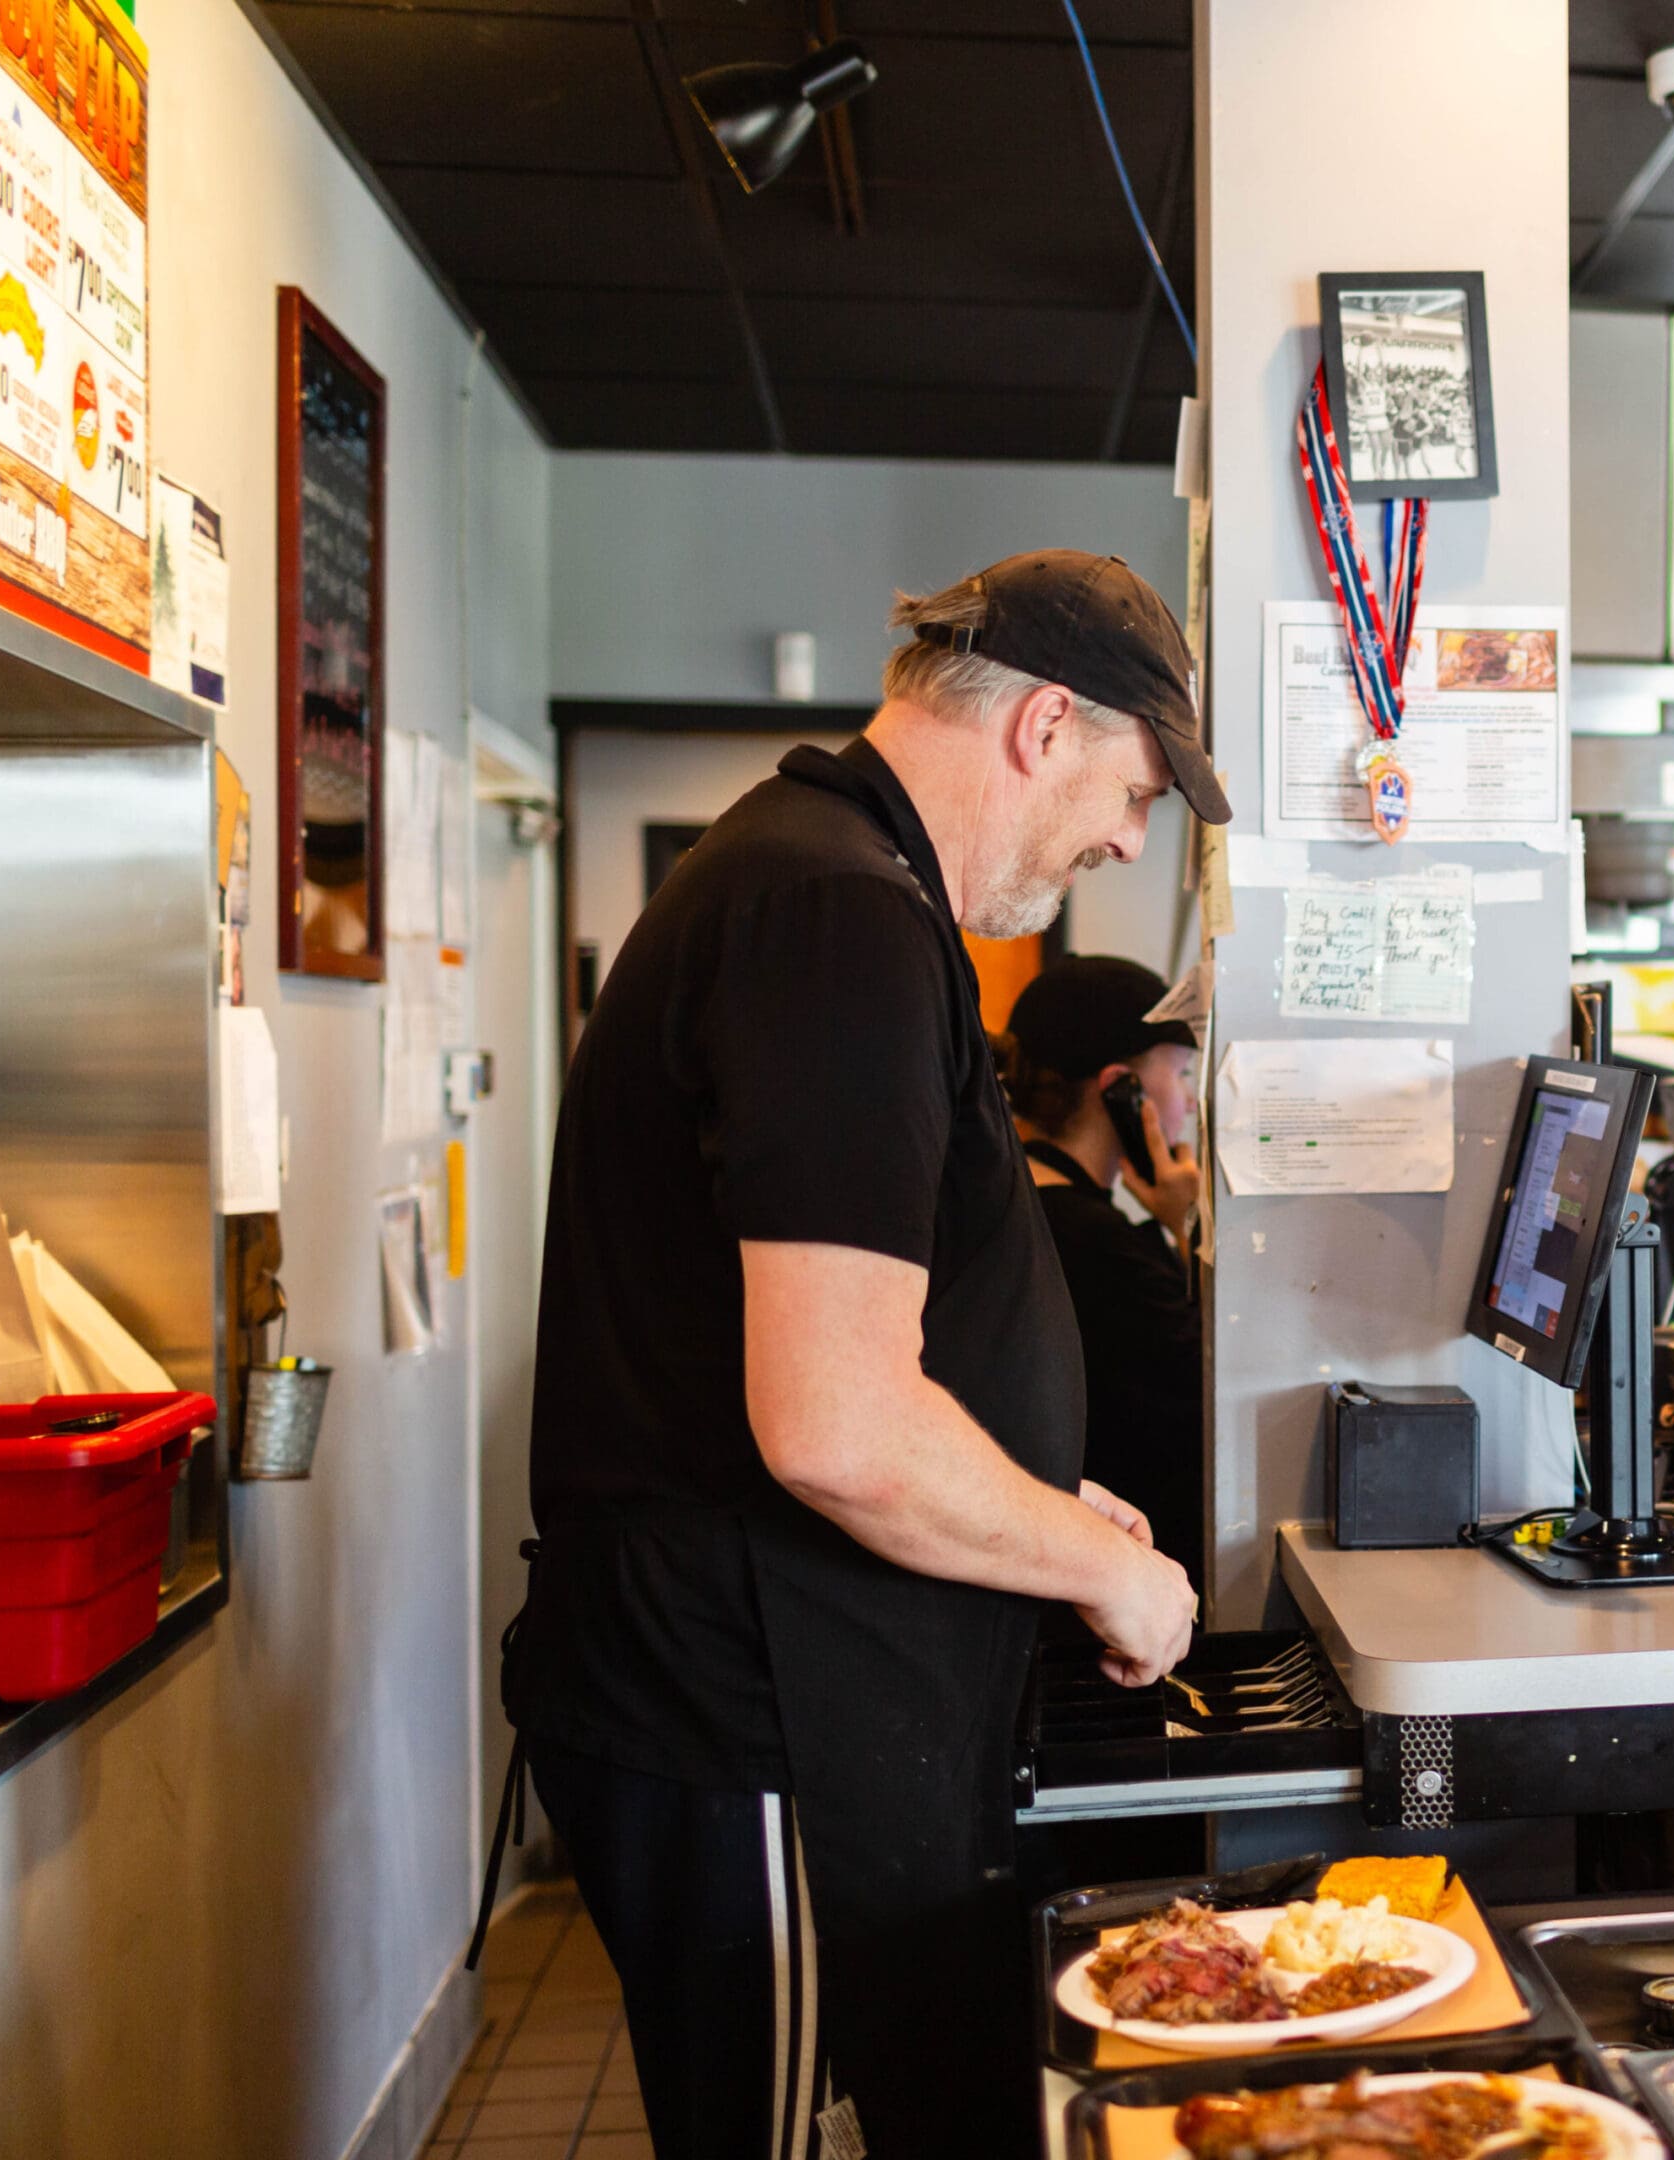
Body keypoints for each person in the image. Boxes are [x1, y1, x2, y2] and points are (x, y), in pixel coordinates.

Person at [502, 550, 1230, 2159]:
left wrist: (1048, 1505)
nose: (1126, 836)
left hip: (795, 1686)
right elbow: (832, 1423)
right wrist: (1104, 1575)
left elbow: (874, 1351)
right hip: (753, 1714)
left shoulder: (828, 886)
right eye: (1134, 788)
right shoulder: (833, 916)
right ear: (1045, 725)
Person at [999, 955, 1206, 1599]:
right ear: (1124, 1089)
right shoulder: (1096, 1244)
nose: (1192, 1099)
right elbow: (1206, 1392)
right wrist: (1184, 1225)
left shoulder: (1012, 1200)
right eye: (1181, 1073)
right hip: (1109, 1583)